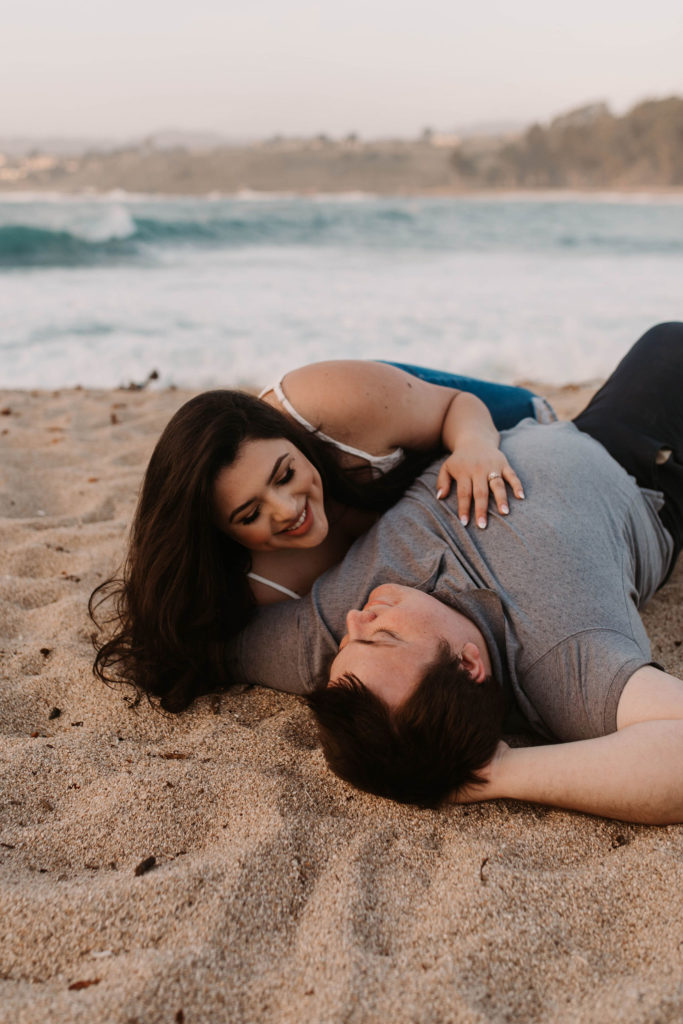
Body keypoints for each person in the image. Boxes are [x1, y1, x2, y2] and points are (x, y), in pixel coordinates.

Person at [226, 323, 683, 824]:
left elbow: (195, 636)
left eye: (346, 643)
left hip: (532, 426)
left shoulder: (339, 636)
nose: (357, 617)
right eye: (380, 637)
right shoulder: (566, 661)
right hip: (646, 468)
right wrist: (500, 772)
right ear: (469, 664)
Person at [90, 360, 550, 711]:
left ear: (291, 438)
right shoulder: (261, 584)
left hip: (499, 421)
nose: (289, 510)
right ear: (220, 532)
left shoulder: (328, 406)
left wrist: (474, 447)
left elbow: (456, 405)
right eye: (251, 514)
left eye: (285, 474)